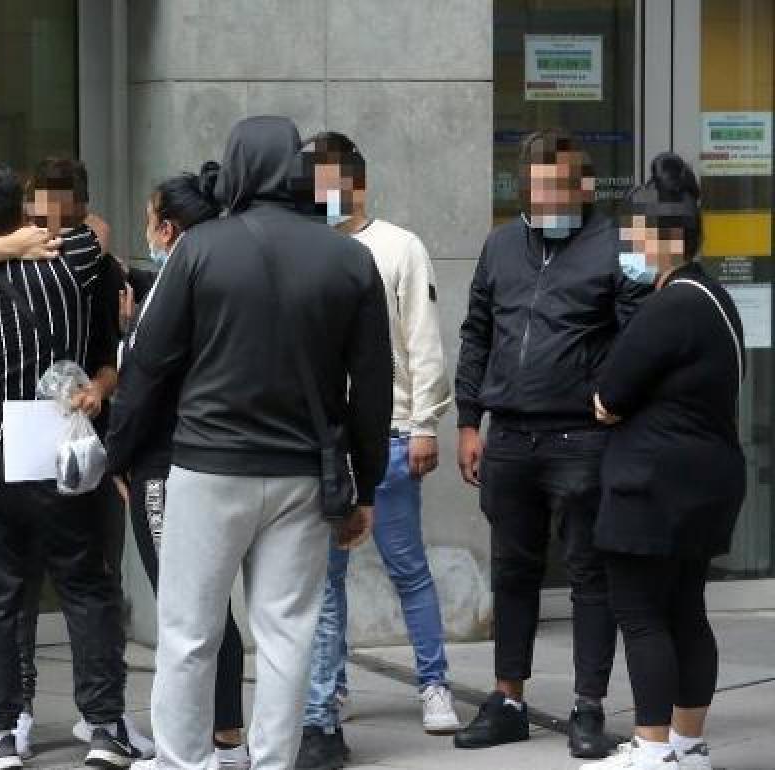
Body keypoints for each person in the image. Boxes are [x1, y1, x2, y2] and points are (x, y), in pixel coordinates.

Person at [108, 115, 393, 770]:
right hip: (301, 477)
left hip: (208, 468)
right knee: (287, 636)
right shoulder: (350, 258)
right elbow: (373, 388)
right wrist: (365, 486)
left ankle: (185, 764)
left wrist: (119, 455)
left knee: (188, 635)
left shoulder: (200, 250)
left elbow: (148, 365)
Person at [0, 161, 136, 770]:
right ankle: (106, 727)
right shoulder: (73, 259)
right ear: (28, 211)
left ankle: (0, 731)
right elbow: (94, 225)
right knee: (87, 587)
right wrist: (26, 235)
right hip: (58, 451)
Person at [452, 129, 649, 759]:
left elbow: (637, 334)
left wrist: (611, 395)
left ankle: (588, 708)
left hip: (582, 439)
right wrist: (466, 420)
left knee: (591, 576)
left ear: (585, 187)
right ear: (524, 190)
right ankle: (508, 697)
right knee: (513, 572)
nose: (550, 200)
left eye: (562, 188)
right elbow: (477, 331)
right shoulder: (501, 245)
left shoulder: (617, 246)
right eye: (539, 190)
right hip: (508, 435)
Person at [293, 132, 461, 770]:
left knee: (406, 565)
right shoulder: (308, 249)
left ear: (355, 182)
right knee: (326, 580)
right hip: (322, 443)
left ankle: (433, 682)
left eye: (326, 182)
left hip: (389, 434)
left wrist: (425, 423)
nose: (318, 195)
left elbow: (423, 341)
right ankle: (327, 694)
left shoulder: (399, 246)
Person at [583, 154, 745, 770]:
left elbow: (606, 398)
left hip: (651, 487)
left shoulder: (670, 304)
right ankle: (685, 743)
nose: (629, 242)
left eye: (636, 231)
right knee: (686, 612)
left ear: (664, 237)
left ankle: (652, 750)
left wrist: (609, 402)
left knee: (643, 616)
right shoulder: (715, 297)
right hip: (704, 483)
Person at [107, 162, 252, 770]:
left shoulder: (181, 285)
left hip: (167, 463)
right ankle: (223, 734)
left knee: (189, 609)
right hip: (208, 459)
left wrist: (117, 456)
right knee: (205, 605)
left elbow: (145, 383)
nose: (147, 229)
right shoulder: (217, 276)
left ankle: (207, 743)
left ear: (166, 228)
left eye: (149, 219)